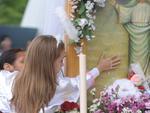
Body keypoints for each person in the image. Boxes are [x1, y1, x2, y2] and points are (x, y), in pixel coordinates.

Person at [0, 35, 120, 113]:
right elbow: (79, 83)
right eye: (61, 60)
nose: (62, 64)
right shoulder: (54, 87)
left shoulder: (9, 79)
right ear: (48, 62)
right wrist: (99, 68)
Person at [110, 0, 150, 76]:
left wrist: (116, 4)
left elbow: (124, 16)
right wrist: (116, 4)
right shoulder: (133, 6)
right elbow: (124, 15)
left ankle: (144, 79)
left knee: (144, 60)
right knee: (135, 61)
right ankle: (136, 79)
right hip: (135, 39)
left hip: (145, 38)